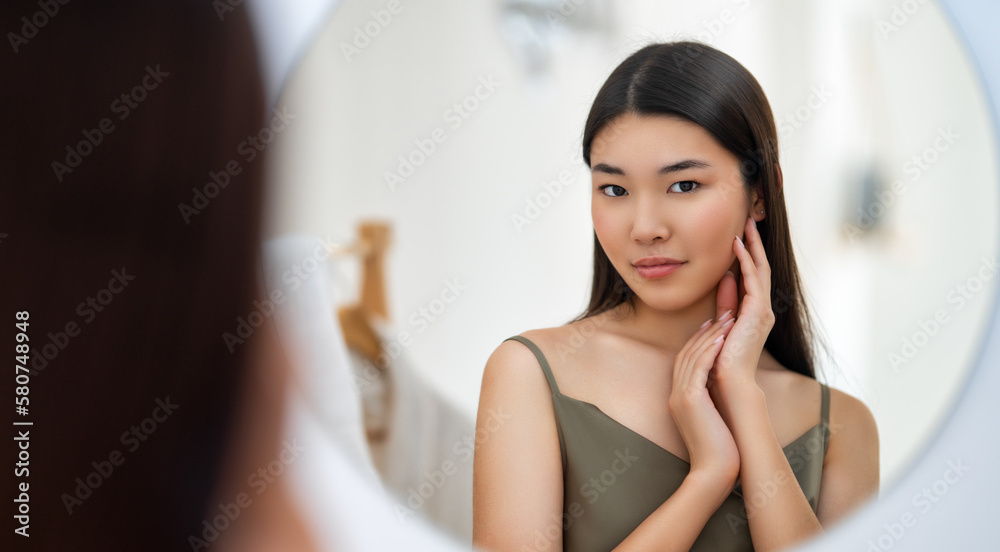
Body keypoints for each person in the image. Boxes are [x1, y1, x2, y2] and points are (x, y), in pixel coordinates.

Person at [472, 41, 879, 552]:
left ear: (760, 193)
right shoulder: (529, 372)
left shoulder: (841, 425)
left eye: (684, 185)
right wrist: (708, 477)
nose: (644, 228)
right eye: (615, 190)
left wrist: (743, 401)